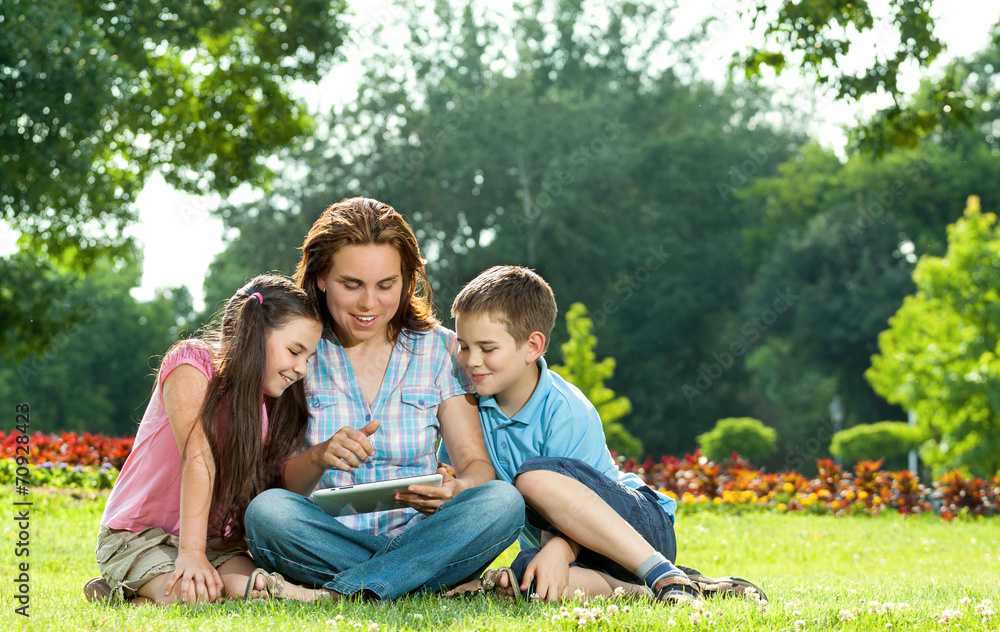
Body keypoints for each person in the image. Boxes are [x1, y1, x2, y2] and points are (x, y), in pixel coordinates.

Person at [242, 197, 524, 601]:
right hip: (326, 535)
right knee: (267, 513)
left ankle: (343, 593)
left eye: (386, 285)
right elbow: (281, 482)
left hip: (426, 532)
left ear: (407, 280)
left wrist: (456, 489)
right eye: (351, 284)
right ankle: (418, 582)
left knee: (503, 501)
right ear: (321, 278)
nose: (368, 304)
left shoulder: (439, 351)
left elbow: (477, 466)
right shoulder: (300, 350)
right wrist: (321, 455)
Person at [442, 265, 767, 604]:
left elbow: (581, 505)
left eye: (487, 348)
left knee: (534, 480)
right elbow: (471, 491)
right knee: (526, 578)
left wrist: (560, 550)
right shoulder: (469, 408)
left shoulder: (565, 410)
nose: (472, 361)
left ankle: (662, 573)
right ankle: (668, 590)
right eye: (463, 347)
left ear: (532, 346)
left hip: (634, 529)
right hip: (576, 552)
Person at [84, 274, 331, 605]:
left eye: (307, 357)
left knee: (250, 588)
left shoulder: (259, 405)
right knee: (193, 596)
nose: (301, 368)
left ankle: (130, 591)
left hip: (213, 541)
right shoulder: (191, 363)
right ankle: (139, 589)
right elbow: (199, 459)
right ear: (256, 335)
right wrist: (190, 554)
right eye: (294, 351)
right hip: (138, 536)